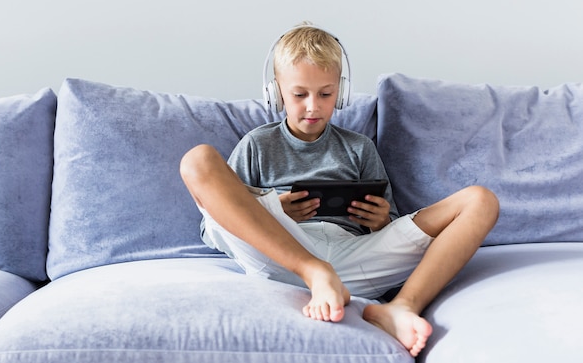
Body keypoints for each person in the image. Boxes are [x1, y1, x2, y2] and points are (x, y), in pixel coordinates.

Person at [179, 23, 499, 357]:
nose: (313, 107)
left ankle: (400, 307)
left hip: (355, 256)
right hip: (281, 253)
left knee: (480, 200)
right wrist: (273, 210)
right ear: (276, 93)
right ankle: (315, 272)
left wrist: (378, 222)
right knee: (197, 160)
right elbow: (212, 226)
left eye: (326, 94)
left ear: (341, 93)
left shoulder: (359, 148)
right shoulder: (257, 145)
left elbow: (389, 223)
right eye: (299, 95)